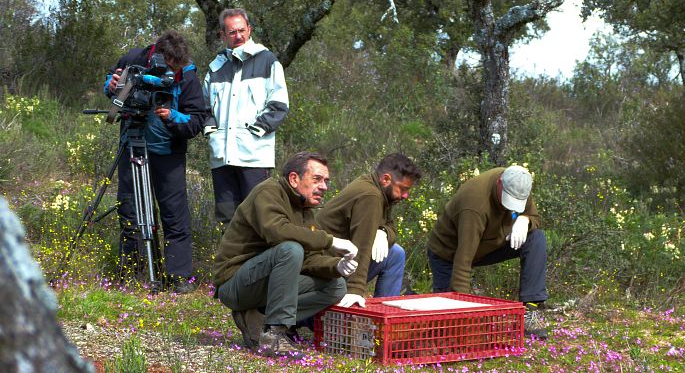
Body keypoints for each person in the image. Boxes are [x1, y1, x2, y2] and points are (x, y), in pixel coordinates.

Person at [212, 151, 358, 358]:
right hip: (235, 282)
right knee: (290, 249)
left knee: (336, 286)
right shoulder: (268, 192)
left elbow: (308, 259)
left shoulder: (304, 209)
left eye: (326, 181)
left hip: (262, 282)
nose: (324, 186)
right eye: (317, 179)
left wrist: (335, 266)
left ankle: (258, 317)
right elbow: (277, 232)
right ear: (294, 178)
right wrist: (331, 240)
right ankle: (274, 333)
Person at [104, 30, 206, 293]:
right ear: (158, 55)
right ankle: (134, 272)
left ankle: (178, 276)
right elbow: (111, 87)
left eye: (177, 66)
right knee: (130, 210)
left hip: (168, 153)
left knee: (174, 215)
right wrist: (113, 86)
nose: (172, 70)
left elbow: (196, 121)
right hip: (133, 143)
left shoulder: (189, 75)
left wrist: (172, 116)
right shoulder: (133, 59)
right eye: (169, 64)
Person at [427, 165, 549, 338]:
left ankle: (531, 311)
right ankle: (411, 296)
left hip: (490, 243)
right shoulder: (474, 204)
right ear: (500, 182)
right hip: (449, 254)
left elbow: (535, 218)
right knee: (444, 320)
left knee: (535, 238)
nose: (511, 207)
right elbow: (463, 262)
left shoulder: (519, 184)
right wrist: (461, 315)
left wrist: (525, 220)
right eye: (508, 200)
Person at [202, 8, 289, 226]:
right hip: (221, 156)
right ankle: (231, 261)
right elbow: (202, 106)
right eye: (232, 32)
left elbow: (279, 104)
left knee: (258, 218)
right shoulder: (215, 67)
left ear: (249, 30)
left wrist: (255, 132)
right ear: (222, 35)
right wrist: (211, 130)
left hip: (254, 156)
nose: (238, 36)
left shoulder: (268, 60)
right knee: (227, 220)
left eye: (242, 30)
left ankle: (260, 261)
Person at [316, 153, 421, 307]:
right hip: (326, 268)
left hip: (341, 260)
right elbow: (362, 244)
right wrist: (356, 290)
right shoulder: (370, 196)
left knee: (395, 253)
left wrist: (383, 232)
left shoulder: (377, 189)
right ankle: (381, 317)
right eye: (403, 189)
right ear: (385, 179)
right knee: (395, 256)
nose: (406, 195)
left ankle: (385, 313)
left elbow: (391, 226)